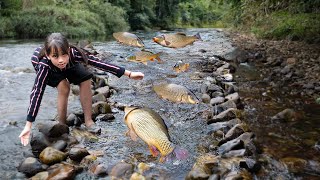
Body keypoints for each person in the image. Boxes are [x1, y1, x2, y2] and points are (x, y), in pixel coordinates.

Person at [19, 33, 144, 146]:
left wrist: (129, 73)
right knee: (64, 87)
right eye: (56, 56)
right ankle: (62, 125)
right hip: (51, 69)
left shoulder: (73, 54)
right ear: (48, 55)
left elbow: (99, 63)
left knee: (85, 79)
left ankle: (88, 121)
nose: (61, 59)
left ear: (68, 50)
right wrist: (28, 125)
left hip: (70, 64)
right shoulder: (44, 65)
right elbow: (37, 92)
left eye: (64, 54)